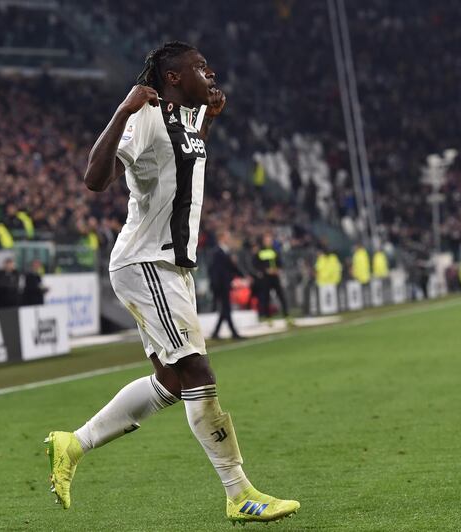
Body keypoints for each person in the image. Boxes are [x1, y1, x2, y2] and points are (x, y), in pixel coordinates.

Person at [44, 41, 299, 524]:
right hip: (146, 263)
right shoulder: (144, 116)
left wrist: (209, 120)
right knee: (198, 373)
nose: (211, 72)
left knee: (170, 381)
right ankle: (239, 492)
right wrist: (123, 108)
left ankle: (72, 444)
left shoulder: (185, 121)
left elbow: (180, 157)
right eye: (200, 67)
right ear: (174, 78)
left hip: (172, 266)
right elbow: (95, 178)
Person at [209, 230, 244, 339]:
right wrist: (216, 286)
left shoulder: (225, 251)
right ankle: (233, 333)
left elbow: (231, 268)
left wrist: (243, 275)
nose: (228, 239)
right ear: (222, 238)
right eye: (227, 236)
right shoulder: (217, 252)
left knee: (225, 309)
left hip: (225, 285)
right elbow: (214, 271)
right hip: (221, 286)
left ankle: (216, 333)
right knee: (226, 308)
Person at [253, 234, 292, 324]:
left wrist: (278, 269)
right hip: (266, 278)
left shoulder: (274, 251)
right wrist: (265, 270)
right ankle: (268, 317)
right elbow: (256, 265)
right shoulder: (260, 252)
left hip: (275, 277)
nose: (269, 242)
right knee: (266, 298)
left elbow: (279, 262)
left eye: (270, 240)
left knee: (281, 296)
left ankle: (286, 315)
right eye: (267, 240)